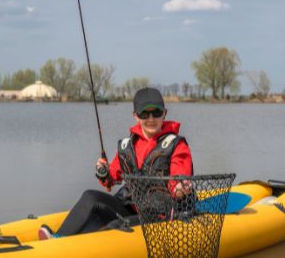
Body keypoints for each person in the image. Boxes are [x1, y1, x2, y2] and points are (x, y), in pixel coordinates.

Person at [39, 87, 194, 239]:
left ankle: (74, 247)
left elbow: (178, 181)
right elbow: (111, 179)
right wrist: (103, 172)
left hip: (161, 217)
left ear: (164, 114)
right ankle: (58, 238)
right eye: (144, 114)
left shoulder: (177, 145)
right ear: (136, 116)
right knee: (90, 196)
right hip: (131, 209)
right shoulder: (128, 145)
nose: (151, 119)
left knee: (115, 226)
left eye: (156, 113)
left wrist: (180, 189)